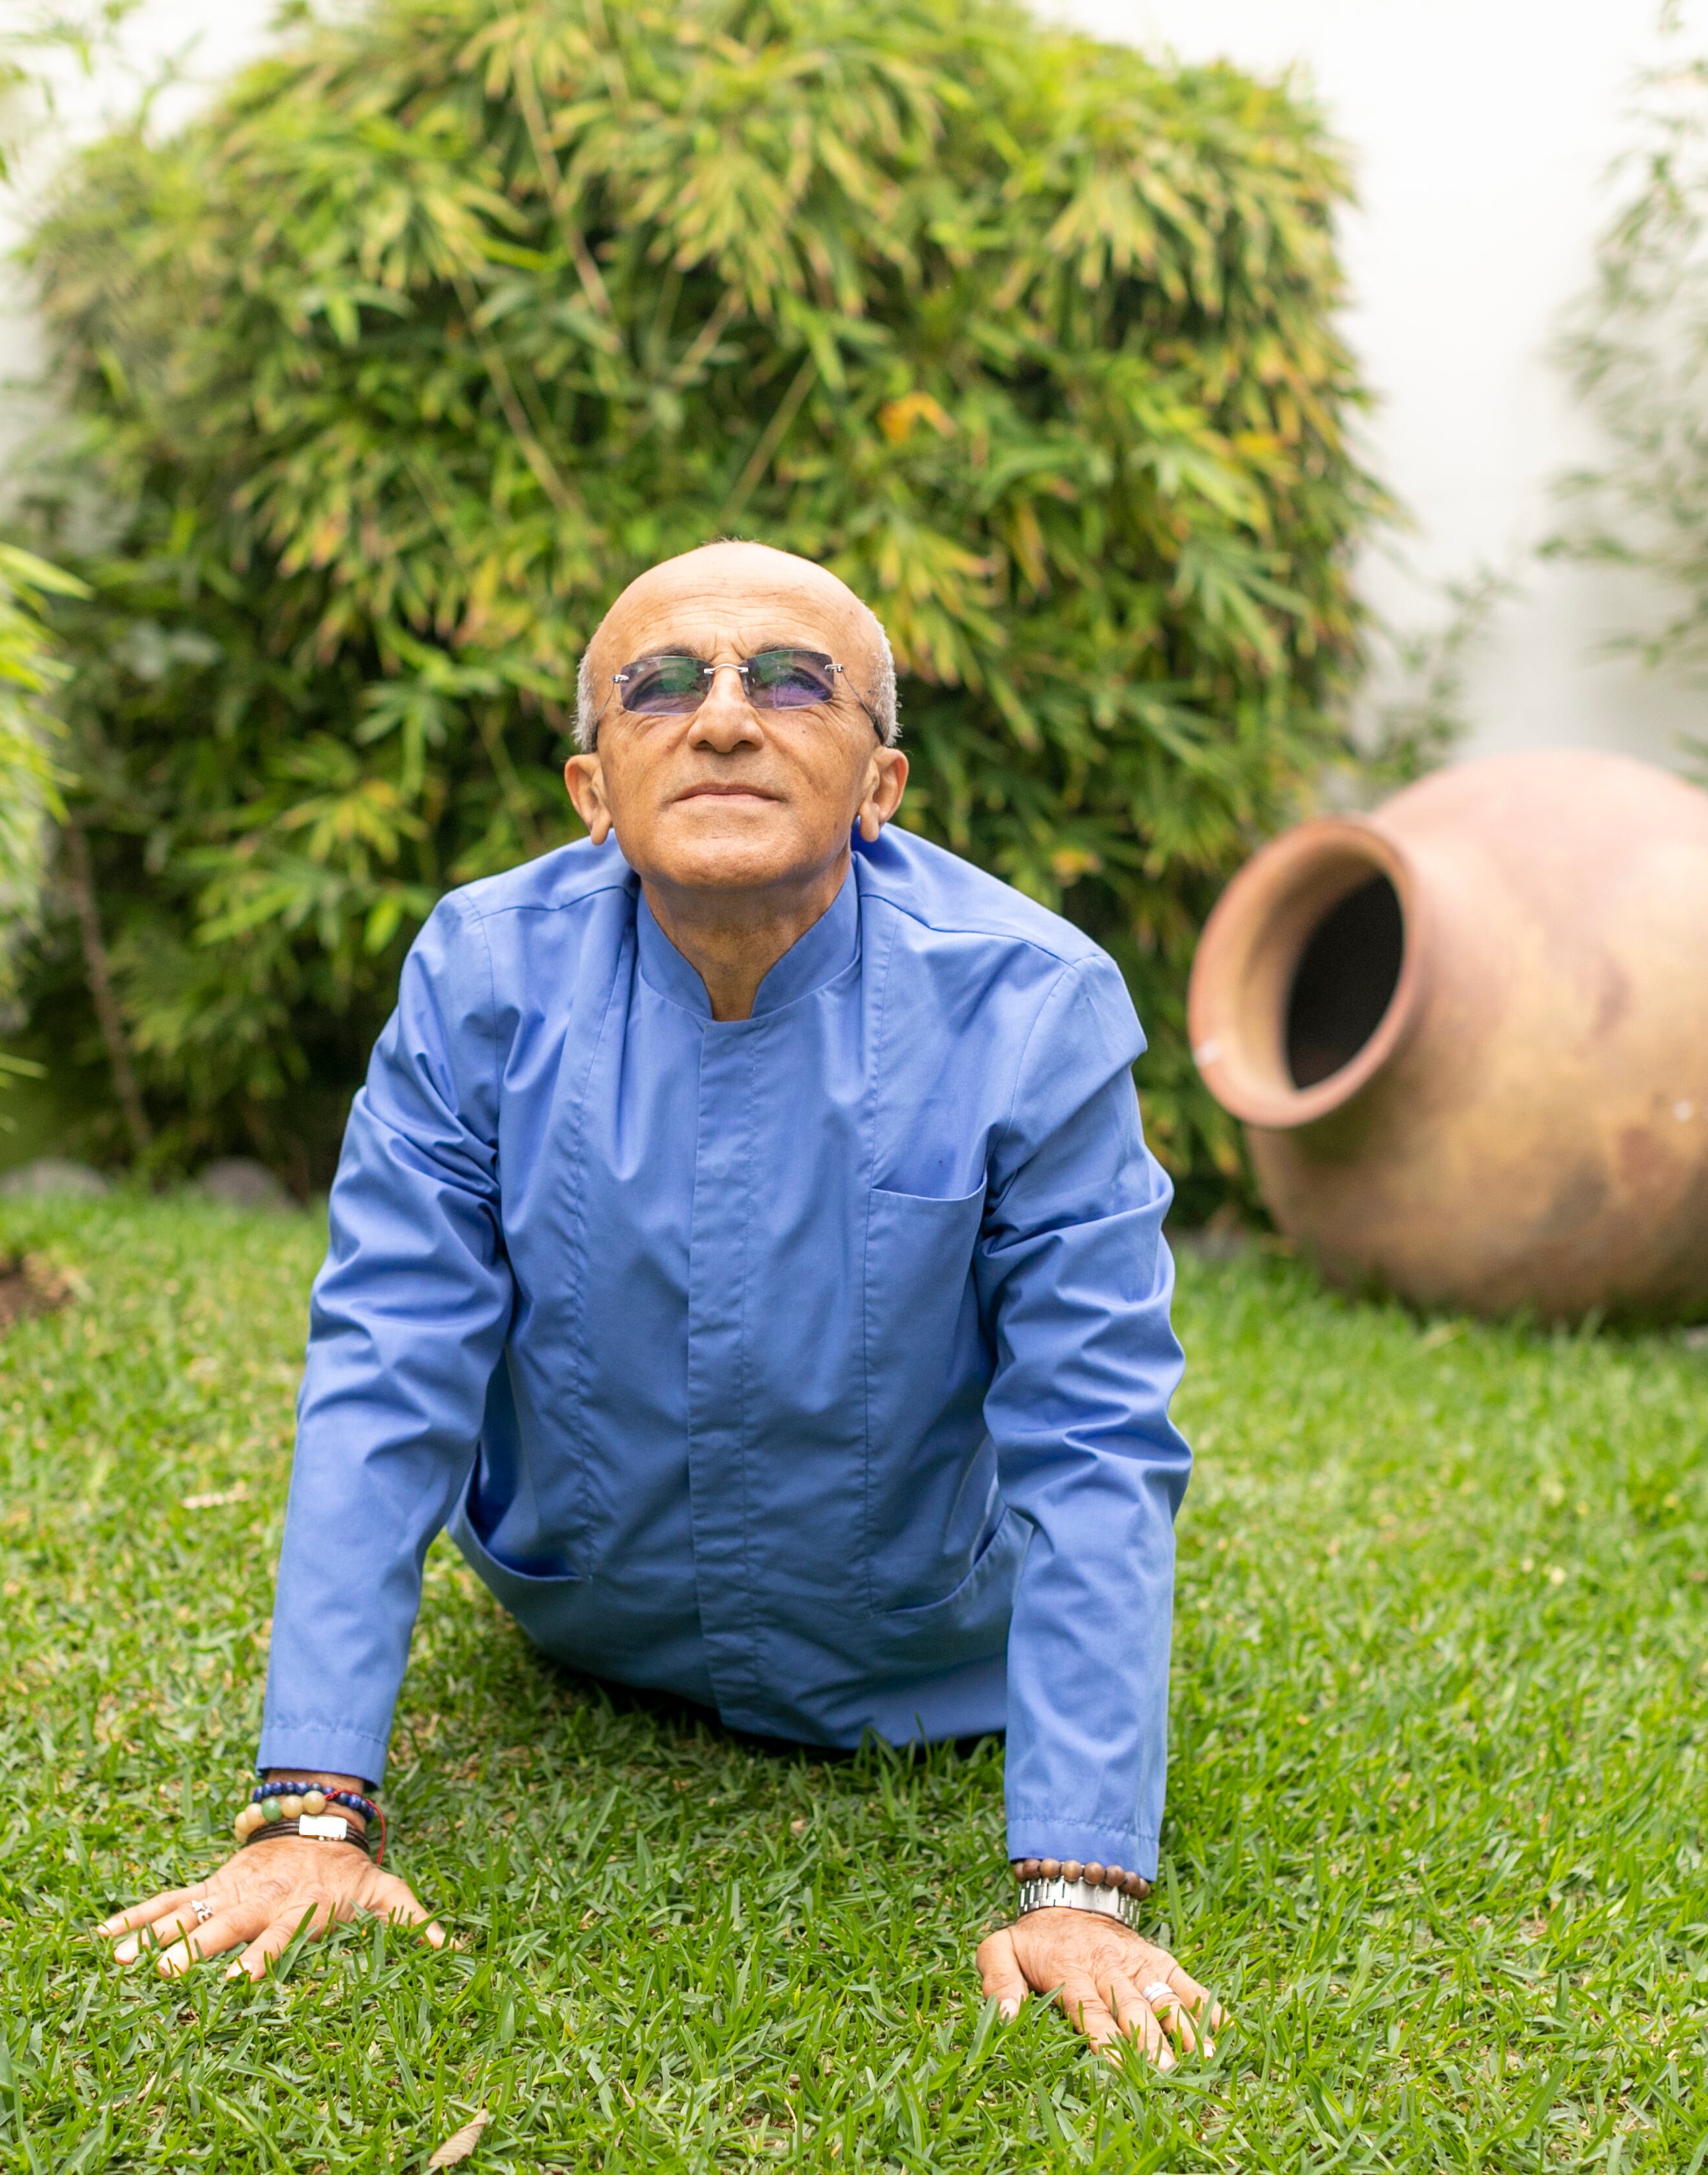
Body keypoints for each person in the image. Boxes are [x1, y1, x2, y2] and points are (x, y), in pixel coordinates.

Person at [101, 541, 1212, 2063]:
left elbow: (1092, 1434)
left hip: (924, 1655)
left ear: (881, 785)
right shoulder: (478, 977)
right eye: (666, 683)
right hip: (588, 1612)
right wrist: (313, 1808)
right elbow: (388, 1366)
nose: (727, 717)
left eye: (792, 679)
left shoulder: (1032, 1003)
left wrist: (1080, 1885)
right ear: (592, 787)